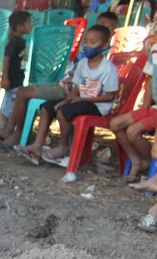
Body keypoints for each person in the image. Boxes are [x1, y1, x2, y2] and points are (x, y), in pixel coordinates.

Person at [0, 11, 119, 146]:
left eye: (110, 27)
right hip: (68, 87)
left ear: (111, 35)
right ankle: (13, 132)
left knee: (22, 93)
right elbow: (75, 74)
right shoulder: (87, 52)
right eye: (101, 24)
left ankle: (18, 135)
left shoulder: (106, 59)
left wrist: (73, 96)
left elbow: (104, 92)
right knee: (22, 93)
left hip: (72, 91)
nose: (104, 29)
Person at [14, 25, 118, 165]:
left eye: (93, 42)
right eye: (86, 41)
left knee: (63, 112)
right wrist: (69, 98)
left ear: (105, 45)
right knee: (47, 107)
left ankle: (63, 147)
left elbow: (110, 96)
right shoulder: (82, 63)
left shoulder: (108, 68)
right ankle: (37, 146)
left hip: (99, 105)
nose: (87, 45)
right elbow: (76, 86)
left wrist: (82, 99)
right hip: (82, 100)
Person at [110, 21, 157, 182]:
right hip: (155, 106)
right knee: (115, 124)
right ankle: (137, 160)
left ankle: (149, 161)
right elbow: (150, 79)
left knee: (132, 131)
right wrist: (145, 106)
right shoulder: (156, 50)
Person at [0, 10, 31, 136]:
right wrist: (5, 77)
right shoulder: (14, 42)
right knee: (8, 105)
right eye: (28, 23)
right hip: (12, 79)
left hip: (18, 79)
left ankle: (6, 129)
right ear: (19, 27)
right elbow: (6, 59)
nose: (30, 25)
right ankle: (2, 130)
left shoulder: (21, 41)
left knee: (13, 104)